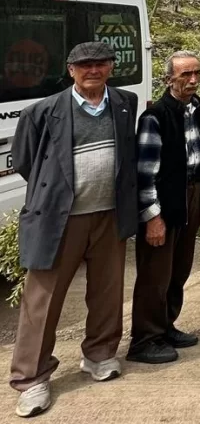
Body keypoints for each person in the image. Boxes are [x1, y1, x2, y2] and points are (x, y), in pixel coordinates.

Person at [9, 42, 138, 418]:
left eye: (100, 64)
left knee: (107, 291)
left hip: (110, 215)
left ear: (111, 67)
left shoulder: (125, 103)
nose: (93, 70)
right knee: (42, 301)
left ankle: (99, 354)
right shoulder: (43, 111)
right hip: (60, 219)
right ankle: (31, 378)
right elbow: (26, 161)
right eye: (84, 65)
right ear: (70, 71)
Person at [129, 51, 200, 365]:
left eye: (196, 73)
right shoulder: (155, 116)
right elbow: (145, 173)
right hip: (164, 203)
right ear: (168, 79)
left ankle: (166, 326)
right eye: (185, 74)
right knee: (155, 275)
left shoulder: (196, 109)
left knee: (179, 269)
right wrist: (152, 217)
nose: (193, 80)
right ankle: (145, 340)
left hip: (190, 197)